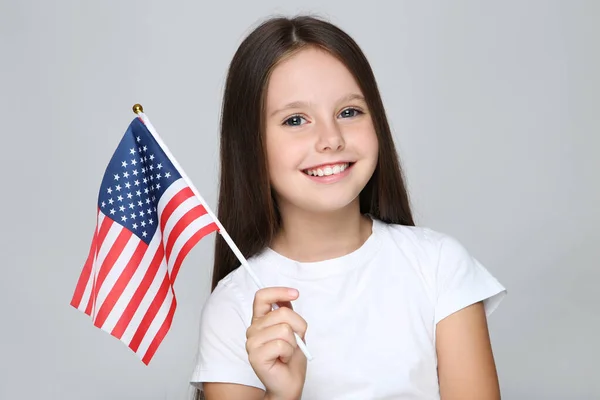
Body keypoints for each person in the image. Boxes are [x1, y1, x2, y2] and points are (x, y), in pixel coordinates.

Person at [190, 14, 506, 400]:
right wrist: (282, 395)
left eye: (349, 112)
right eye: (295, 120)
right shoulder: (234, 306)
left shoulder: (438, 266)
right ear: (250, 145)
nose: (330, 139)